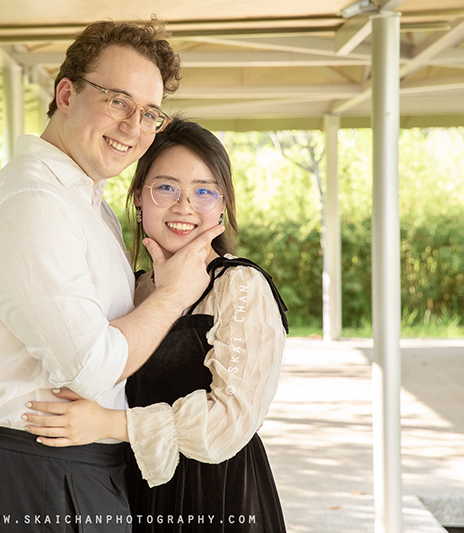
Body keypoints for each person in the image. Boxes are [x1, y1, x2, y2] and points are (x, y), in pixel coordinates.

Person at [0, 20, 226, 533]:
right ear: (66, 93)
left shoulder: (81, 199)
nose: (134, 127)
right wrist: (174, 293)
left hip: (70, 470)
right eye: (117, 101)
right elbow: (88, 366)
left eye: (149, 112)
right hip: (39, 474)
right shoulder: (33, 202)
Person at [24, 119, 290, 532]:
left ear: (223, 205)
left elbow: (229, 421)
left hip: (218, 497)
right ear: (139, 198)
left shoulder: (239, 285)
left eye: (204, 191)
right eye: (166, 188)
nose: (185, 206)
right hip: (136, 489)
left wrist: (110, 424)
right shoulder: (131, 288)